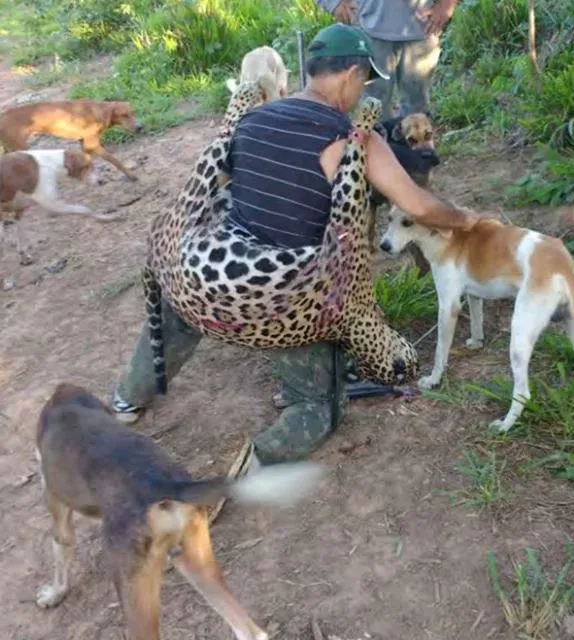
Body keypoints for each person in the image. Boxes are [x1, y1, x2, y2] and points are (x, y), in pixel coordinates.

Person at [110, 24, 482, 467]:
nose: (363, 91)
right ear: (350, 75)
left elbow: (221, 186)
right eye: (365, 81)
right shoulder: (354, 137)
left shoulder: (251, 120)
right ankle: (254, 460)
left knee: (179, 311)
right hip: (283, 299)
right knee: (318, 405)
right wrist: (466, 219)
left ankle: (127, 400)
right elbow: (418, 205)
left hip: (204, 276)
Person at [316, 0, 458, 117]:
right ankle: (376, 148)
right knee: (372, 107)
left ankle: (413, 150)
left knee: (417, 106)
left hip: (422, 29)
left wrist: (447, 4)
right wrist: (333, 3)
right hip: (369, 28)